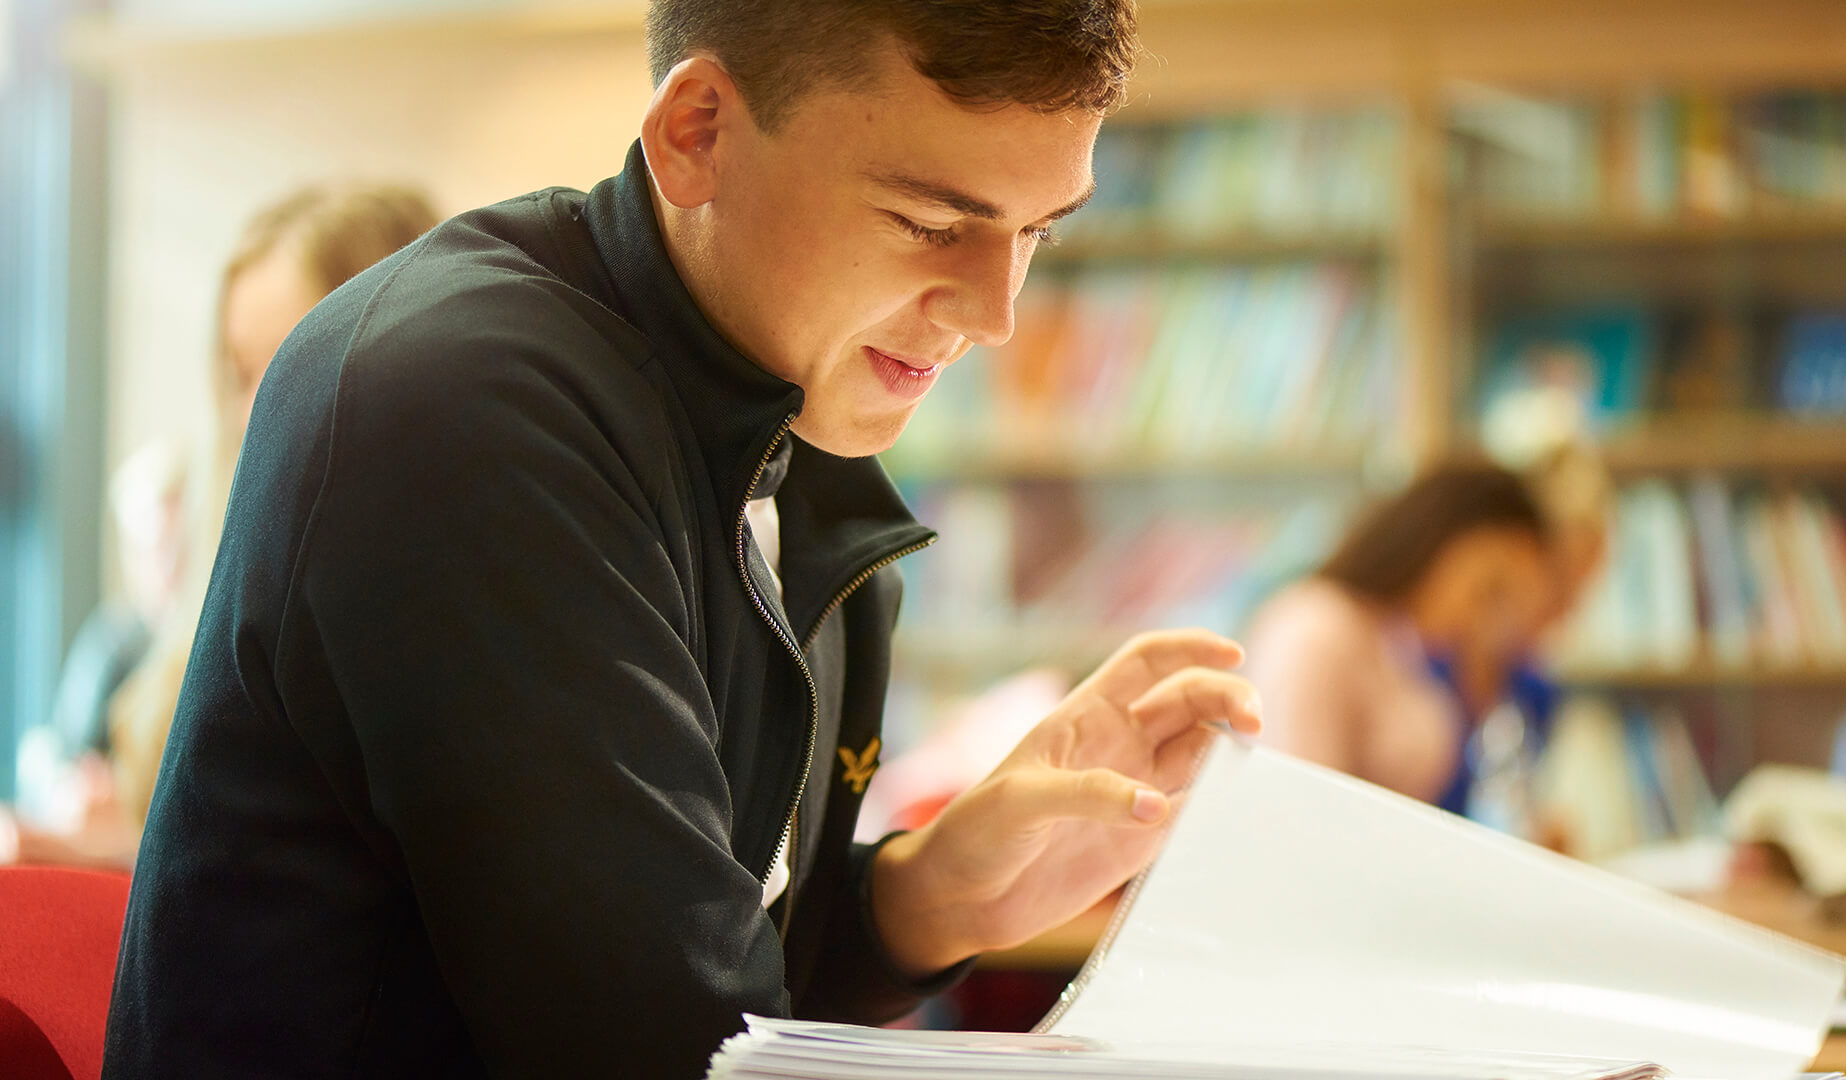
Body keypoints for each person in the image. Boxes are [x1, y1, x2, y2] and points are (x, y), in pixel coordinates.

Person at [103, 4, 1261, 1077]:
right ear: (696, 131)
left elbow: (735, 982)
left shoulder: (802, 439)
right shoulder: (460, 400)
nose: (997, 314)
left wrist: (922, 900)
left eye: (1037, 235)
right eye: (929, 222)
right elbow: (661, 1043)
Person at [0, 184, 439, 871]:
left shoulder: (400, 604)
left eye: (290, 361)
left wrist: (84, 851)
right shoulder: (230, 575)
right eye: (240, 374)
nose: (249, 413)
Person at [1245, 462, 1576, 812]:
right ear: (1438, 539)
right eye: (1489, 589)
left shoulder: (1397, 638)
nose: (1482, 620)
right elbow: (1297, 811)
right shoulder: (1315, 629)